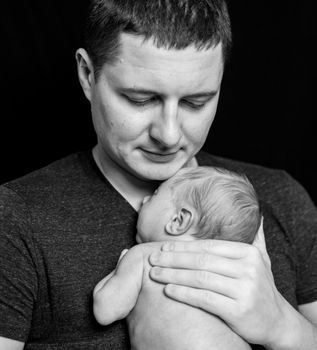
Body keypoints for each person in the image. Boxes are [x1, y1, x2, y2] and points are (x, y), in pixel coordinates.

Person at [0, 0, 317, 349]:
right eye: (140, 99)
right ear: (88, 75)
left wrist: (283, 327)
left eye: (195, 102)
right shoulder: (16, 220)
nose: (168, 134)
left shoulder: (282, 200)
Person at [93, 166, 261, 350]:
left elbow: (105, 311)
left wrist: (121, 267)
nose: (144, 200)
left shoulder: (145, 256)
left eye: (155, 195)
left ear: (178, 221)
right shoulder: (228, 272)